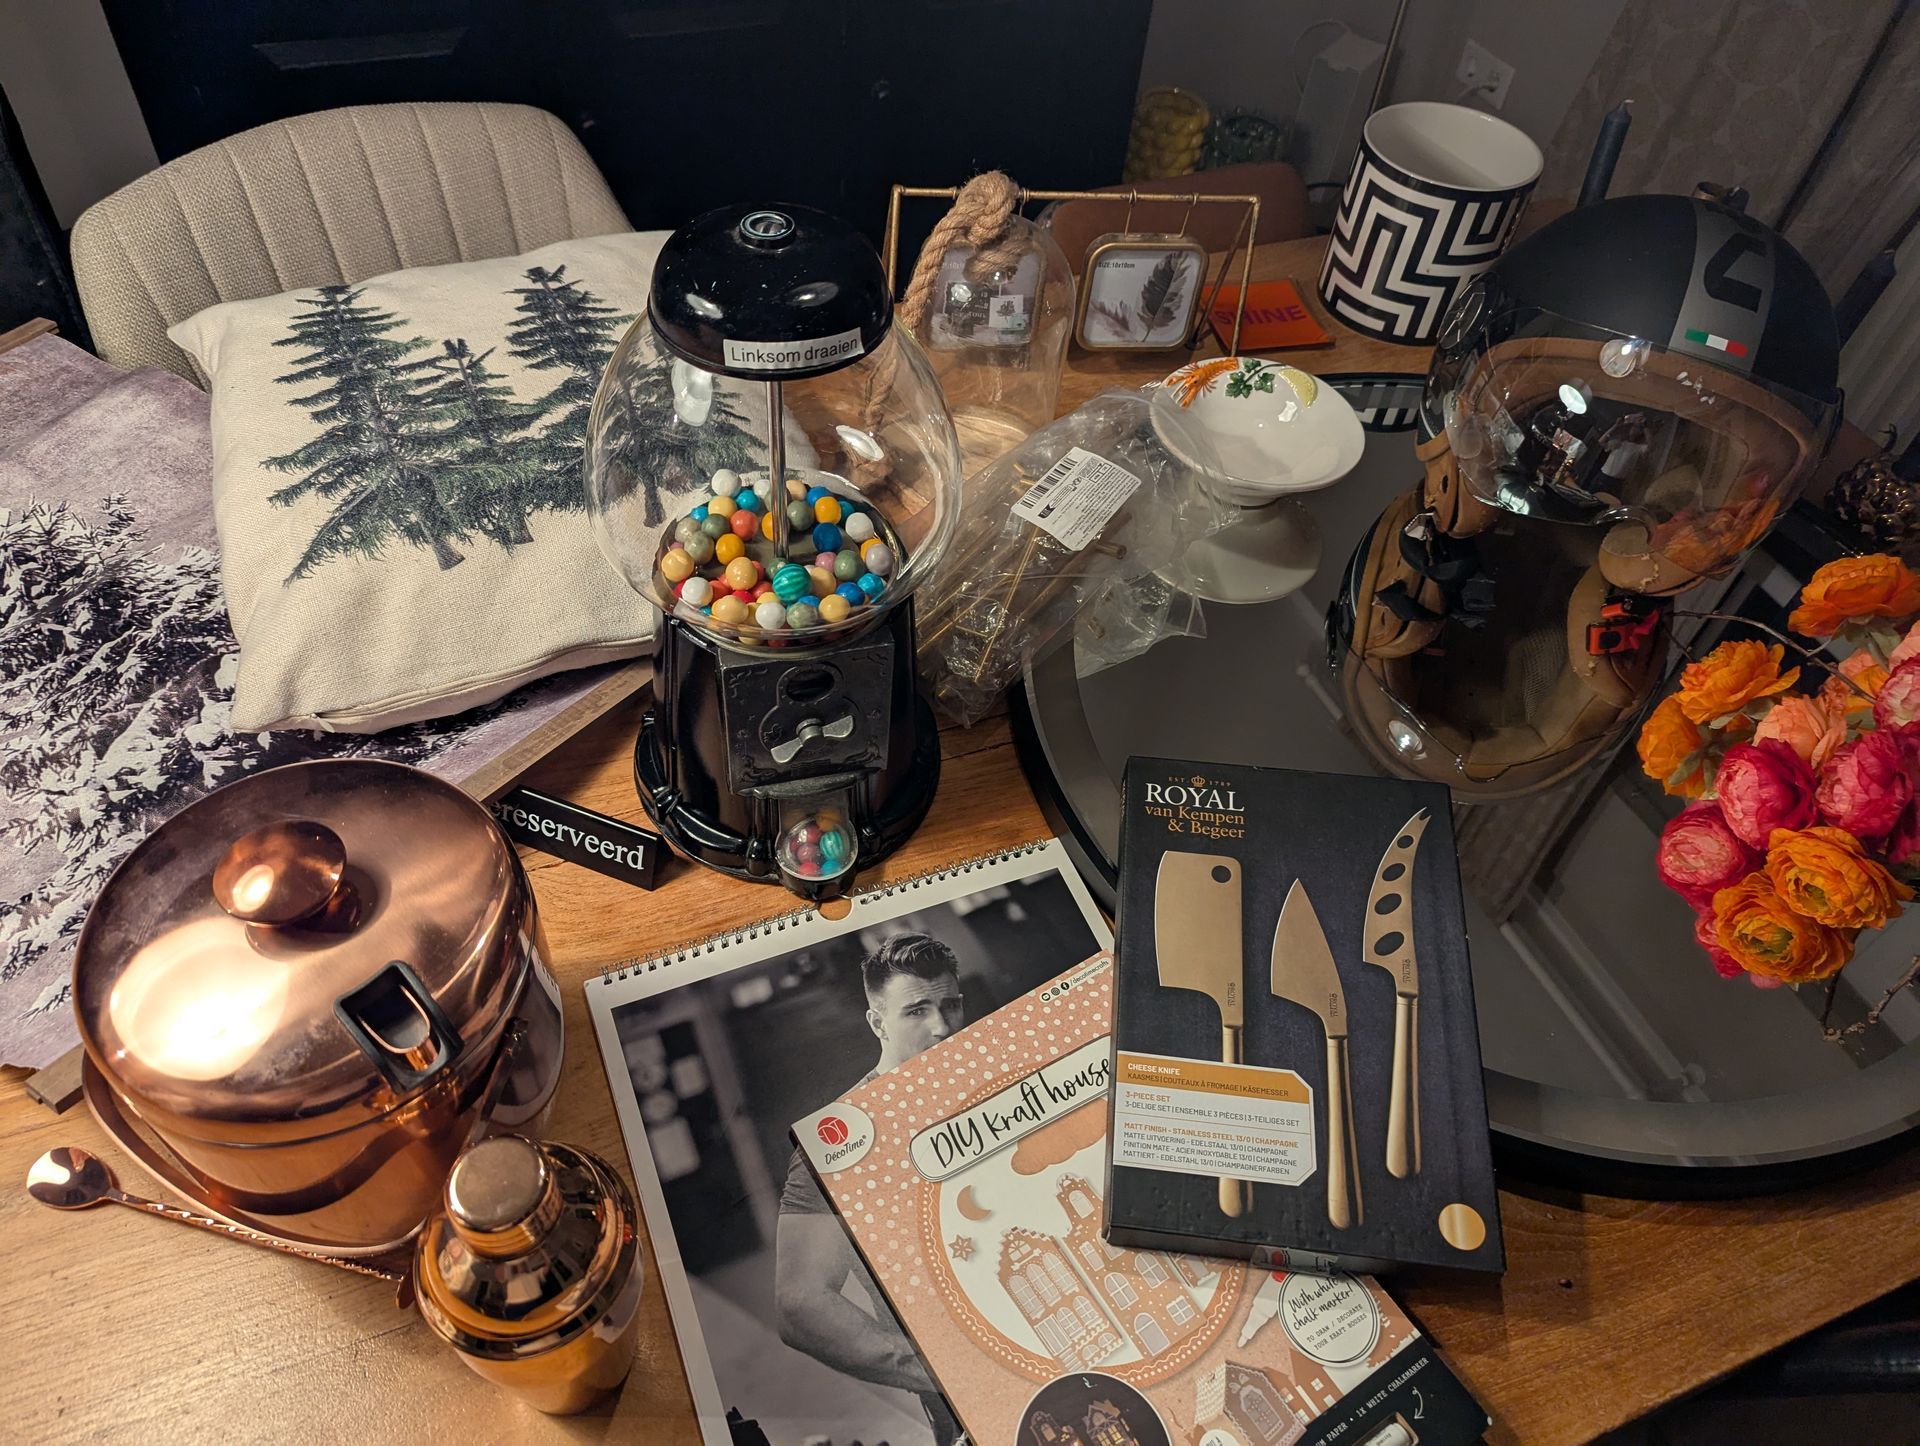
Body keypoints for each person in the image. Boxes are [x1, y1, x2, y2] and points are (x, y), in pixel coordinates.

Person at [775, 933, 968, 1444]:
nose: (942, 1027)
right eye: (916, 1011)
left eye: (951, 1004)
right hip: (969, 1394)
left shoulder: (989, 1078)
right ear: (878, 1022)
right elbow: (801, 1303)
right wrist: (945, 1374)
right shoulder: (840, 1139)